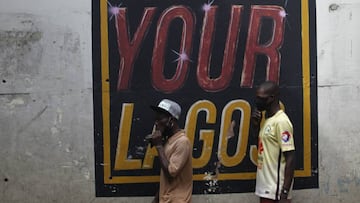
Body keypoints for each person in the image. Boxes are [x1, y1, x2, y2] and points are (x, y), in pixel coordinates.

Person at [251, 81, 296, 203]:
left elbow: (290, 157)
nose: (257, 101)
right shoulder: (267, 120)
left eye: (261, 98)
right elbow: (262, 149)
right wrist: (255, 127)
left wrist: (284, 192)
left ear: (271, 98)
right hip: (265, 186)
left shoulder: (281, 122)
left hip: (275, 189)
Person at [149, 99, 193, 203]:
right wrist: (156, 199)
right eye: (156, 119)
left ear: (171, 121)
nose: (156, 123)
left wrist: (159, 146)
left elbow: (171, 173)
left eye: (160, 119)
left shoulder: (182, 142)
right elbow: (166, 178)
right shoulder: (170, 141)